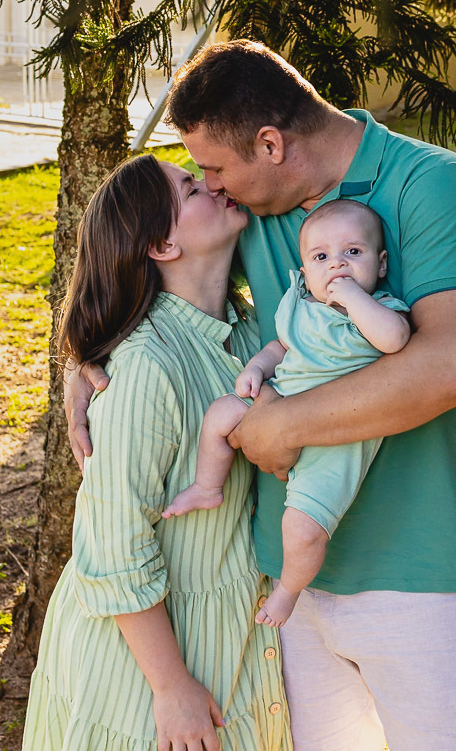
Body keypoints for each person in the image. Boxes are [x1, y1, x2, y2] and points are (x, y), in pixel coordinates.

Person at [67, 41, 456, 751]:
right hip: (285, 583)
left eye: (213, 168)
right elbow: (145, 264)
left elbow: (454, 366)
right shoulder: (256, 212)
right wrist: (80, 351)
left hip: (422, 570)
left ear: (271, 144)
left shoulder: (437, 188)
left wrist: (282, 426)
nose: (211, 186)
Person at [20, 154, 293, 751]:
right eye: (193, 188)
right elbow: (113, 544)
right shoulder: (145, 368)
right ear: (162, 243)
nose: (215, 185)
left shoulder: (249, 334)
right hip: (148, 659)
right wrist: (170, 686)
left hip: (229, 630)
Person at [162, 199, 411, 628]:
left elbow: (394, 341)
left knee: (302, 528)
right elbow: (281, 348)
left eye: (353, 253)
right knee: (221, 413)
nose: (337, 266)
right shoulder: (299, 306)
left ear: (381, 263)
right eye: (321, 257)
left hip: (340, 439)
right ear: (305, 271)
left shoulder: (379, 310)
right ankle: (207, 485)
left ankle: (289, 591)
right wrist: (257, 369)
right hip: (279, 400)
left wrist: (353, 298)